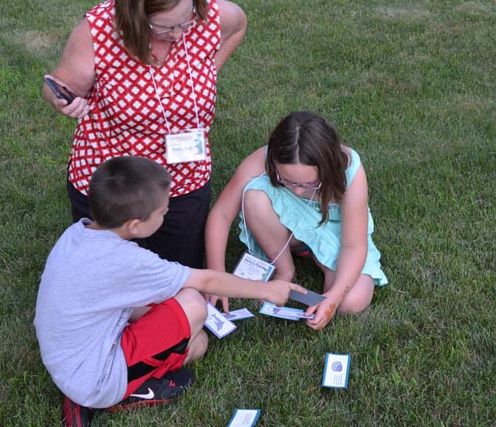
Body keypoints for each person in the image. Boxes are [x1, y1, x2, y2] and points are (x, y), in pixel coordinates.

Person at [34, 156, 304, 427]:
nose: (167, 214)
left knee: (175, 305)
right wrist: (267, 290)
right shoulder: (128, 261)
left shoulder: (76, 232)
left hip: (68, 357)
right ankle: (118, 393)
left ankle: (89, 387)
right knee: (196, 329)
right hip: (95, 379)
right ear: (135, 226)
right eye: (163, 212)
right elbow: (205, 282)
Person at [41, 0, 247, 269]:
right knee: (109, 274)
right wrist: (62, 100)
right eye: (164, 27)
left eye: (185, 21)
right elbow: (59, 85)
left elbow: (237, 25)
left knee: (178, 273)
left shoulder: (209, 16)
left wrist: (210, 68)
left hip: (184, 174)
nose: (179, 34)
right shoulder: (98, 32)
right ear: (136, 15)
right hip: (117, 177)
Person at [205, 111, 388, 331]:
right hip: (290, 223)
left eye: (310, 183)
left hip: (337, 232)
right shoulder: (264, 158)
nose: (299, 190)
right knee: (254, 196)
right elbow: (221, 215)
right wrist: (217, 277)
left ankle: (323, 262)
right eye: (288, 181)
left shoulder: (350, 170)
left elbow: (354, 245)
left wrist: (334, 296)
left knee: (351, 302)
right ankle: (285, 269)